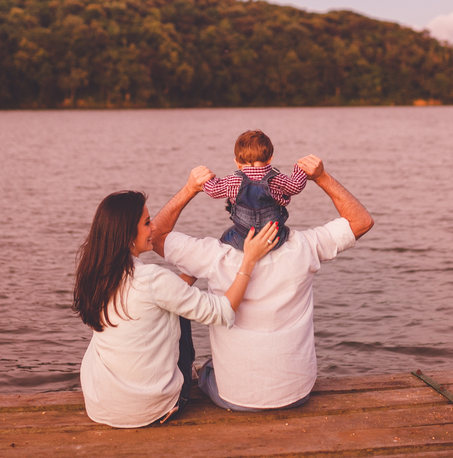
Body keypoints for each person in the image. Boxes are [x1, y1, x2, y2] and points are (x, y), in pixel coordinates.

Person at [151, 155, 373, 412]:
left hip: (234, 397)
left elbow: (154, 236)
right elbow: (361, 222)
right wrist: (321, 177)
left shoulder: (213, 255)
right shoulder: (305, 247)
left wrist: (190, 188)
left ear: (232, 207)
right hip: (297, 393)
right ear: (280, 204)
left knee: (205, 362)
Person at [73, 184, 279, 428]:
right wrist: (249, 260)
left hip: (100, 404)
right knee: (181, 310)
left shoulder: (95, 273)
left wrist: (197, 267)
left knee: (174, 303)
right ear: (128, 234)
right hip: (152, 410)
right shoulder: (153, 279)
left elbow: (161, 294)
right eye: (147, 223)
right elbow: (223, 312)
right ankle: (183, 378)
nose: (153, 228)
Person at [201, 129, 311, 251]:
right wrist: (300, 170)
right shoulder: (277, 178)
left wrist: (207, 178)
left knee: (227, 235)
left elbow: (213, 190)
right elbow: (296, 186)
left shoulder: (233, 181)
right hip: (274, 237)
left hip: (243, 239)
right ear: (270, 159)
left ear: (237, 163)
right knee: (284, 229)